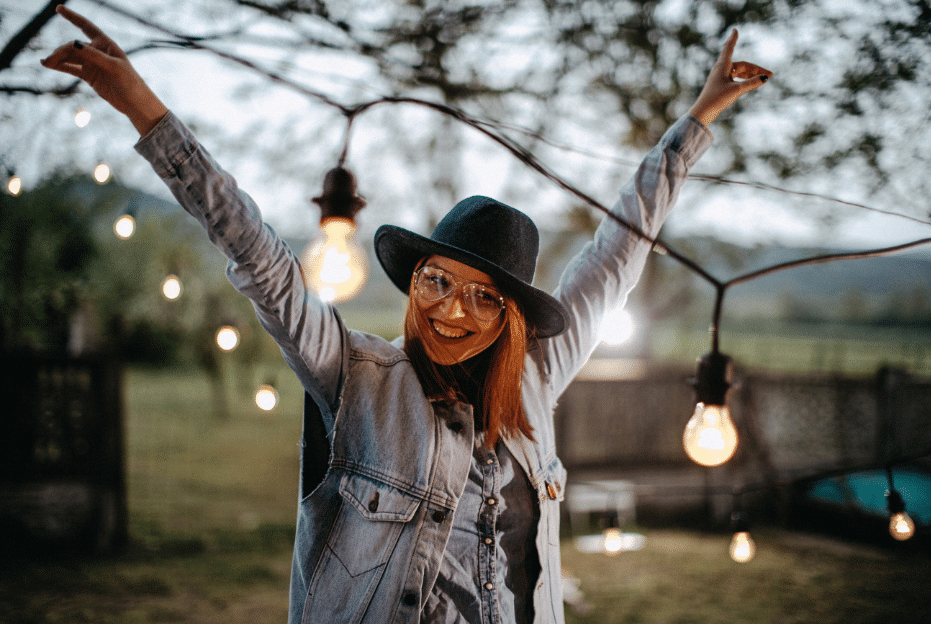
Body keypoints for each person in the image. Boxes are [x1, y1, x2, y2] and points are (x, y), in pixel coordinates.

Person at [42, 6, 772, 623]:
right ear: (412, 282)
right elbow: (259, 258)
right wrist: (144, 108)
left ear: (510, 316)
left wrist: (699, 115)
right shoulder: (356, 375)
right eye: (435, 280)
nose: (453, 309)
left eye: (484, 295)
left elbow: (618, 248)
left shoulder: (536, 385)